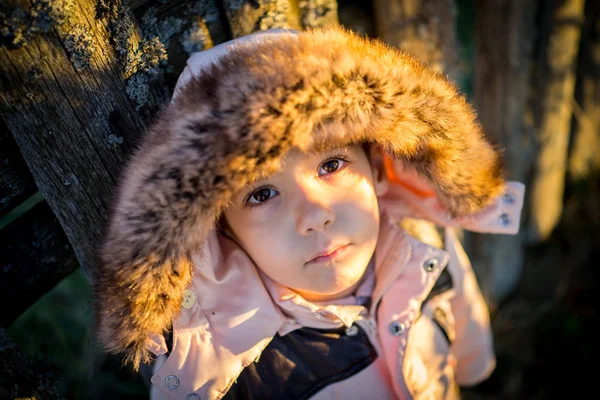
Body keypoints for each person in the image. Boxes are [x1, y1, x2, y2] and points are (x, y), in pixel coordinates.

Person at [94, 26, 525, 400]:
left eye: (331, 165)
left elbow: (464, 327)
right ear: (223, 230)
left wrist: (472, 369)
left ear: (376, 169)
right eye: (261, 194)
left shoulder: (425, 244)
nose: (314, 216)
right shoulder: (217, 370)